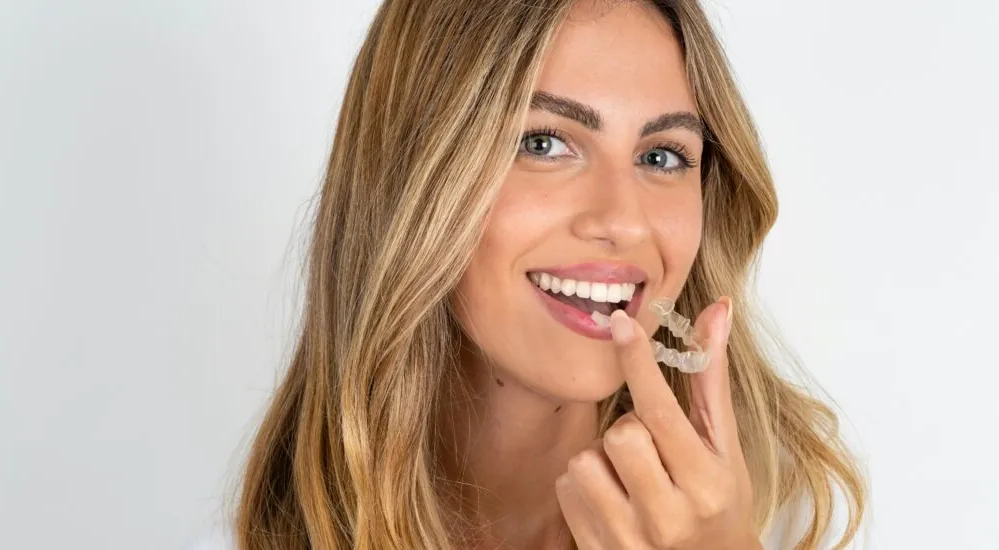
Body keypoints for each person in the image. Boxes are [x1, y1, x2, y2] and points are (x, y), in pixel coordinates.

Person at [214, 0, 868, 548]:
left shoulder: (783, 517)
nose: (622, 220)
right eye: (543, 143)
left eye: (662, 154)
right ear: (413, 175)